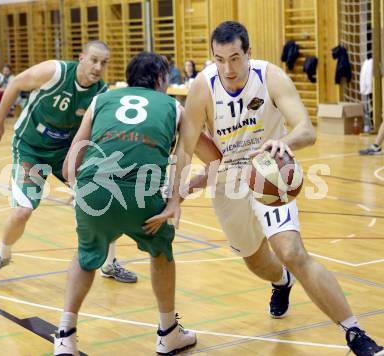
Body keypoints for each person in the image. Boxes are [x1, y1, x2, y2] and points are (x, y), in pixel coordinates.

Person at [145, 21, 384, 356]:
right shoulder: (203, 87)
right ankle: (280, 281)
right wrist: (175, 199)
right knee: (257, 262)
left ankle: (355, 333)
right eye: (219, 59)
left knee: (292, 252)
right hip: (228, 182)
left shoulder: (269, 76)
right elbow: (186, 149)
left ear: (249, 53)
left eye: (234, 58)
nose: (227, 68)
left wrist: (280, 143)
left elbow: (306, 130)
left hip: (269, 175)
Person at [54, 51, 196, 356]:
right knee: (161, 252)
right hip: (142, 195)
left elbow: (74, 154)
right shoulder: (173, 106)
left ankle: (65, 336)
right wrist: (175, 200)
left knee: (85, 254)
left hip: (94, 189)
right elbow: (199, 155)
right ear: (160, 80)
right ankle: (168, 332)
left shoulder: (101, 99)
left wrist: (76, 185)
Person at [0, 40, 137, 288]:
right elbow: (17, 82)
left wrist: (85, 182)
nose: (97, 67)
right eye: (93, 60)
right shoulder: (56, 72)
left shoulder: (101, 94)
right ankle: (1, 256)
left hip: (65, 152)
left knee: (104, 201)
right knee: (22, 211)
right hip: (31, 147)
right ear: (81, 57)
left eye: (103, 63)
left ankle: (109, 263)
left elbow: (97, 139)